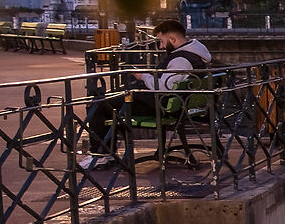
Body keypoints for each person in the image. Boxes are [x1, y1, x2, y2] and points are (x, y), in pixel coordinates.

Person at [82, 15, 215, 168]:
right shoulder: (196, 53)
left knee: (99, 104)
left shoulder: (180, 60)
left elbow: (164, 88)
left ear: (172, 39)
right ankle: (106, 153)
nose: (161, 47)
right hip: (178, 104)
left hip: (164, 108)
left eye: (162, 41)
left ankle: (100, 155)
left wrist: (143, 75)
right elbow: (169, 83)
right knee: (110, 101)